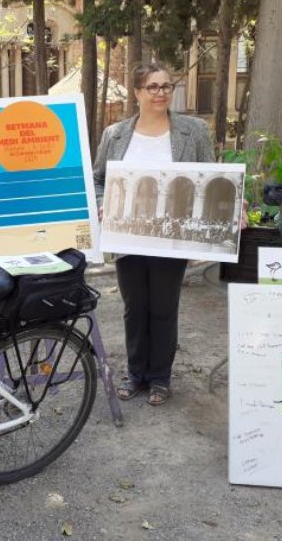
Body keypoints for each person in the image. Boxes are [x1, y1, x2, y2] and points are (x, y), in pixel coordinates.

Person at [94, 62, 229, 406]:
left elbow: (212, 178)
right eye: (152, 87)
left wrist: (228, 206)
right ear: (138, 93)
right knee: (134, 306)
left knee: (164, 307)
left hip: (173, 235)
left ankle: (160, 378)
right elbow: (99, 179)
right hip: (128, 236)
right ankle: (136, 373)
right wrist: (101, 203)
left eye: (166, 86)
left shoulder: (193, 131)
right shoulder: (115, 135)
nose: (161, 93)